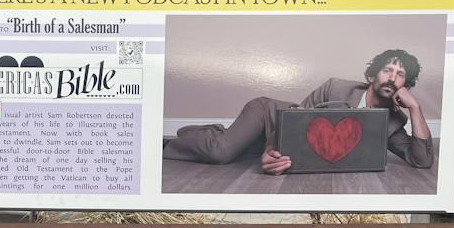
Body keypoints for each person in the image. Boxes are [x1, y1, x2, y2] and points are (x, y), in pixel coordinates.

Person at [162, 48, 433, 174]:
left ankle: (210, 133)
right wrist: (272, 151)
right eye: (387, 70)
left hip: (278, 137)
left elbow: (420, 160)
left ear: (404, 85)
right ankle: (168, 144)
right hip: (268, 116)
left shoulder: (393, 122)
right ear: (374, 74)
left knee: (237, 151)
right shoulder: (337, 88)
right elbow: (297, 122)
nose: (391, 78)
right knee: (222, 153)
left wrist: (416, 109)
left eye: (399, 75)